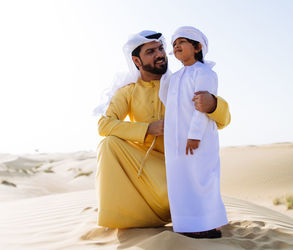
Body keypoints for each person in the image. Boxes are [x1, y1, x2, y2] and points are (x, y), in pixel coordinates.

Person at [94, 30, 231, 231]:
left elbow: (222, 121)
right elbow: (104, 125)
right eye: (151, 51)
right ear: (137, 61)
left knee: (186, 189)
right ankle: (125, 216)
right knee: (109, 144)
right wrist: (148, 129)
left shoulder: (180, 81)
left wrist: (213, 105)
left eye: (160, 49)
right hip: (147, 172)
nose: (160, 54)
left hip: (181, 169)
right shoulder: (128, 91)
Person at [159, 26, 228, 239]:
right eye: (174, 44)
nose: (176, 46)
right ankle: (189, 225)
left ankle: (211, 225)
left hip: (198, 138)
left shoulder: (205, 72)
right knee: (181, 181)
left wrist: (195, 135)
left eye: (182, 41)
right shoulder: (174, 77)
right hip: (175, 140)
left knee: (202, 178)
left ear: (197, 47)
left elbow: (201, 108)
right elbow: (167, 101)